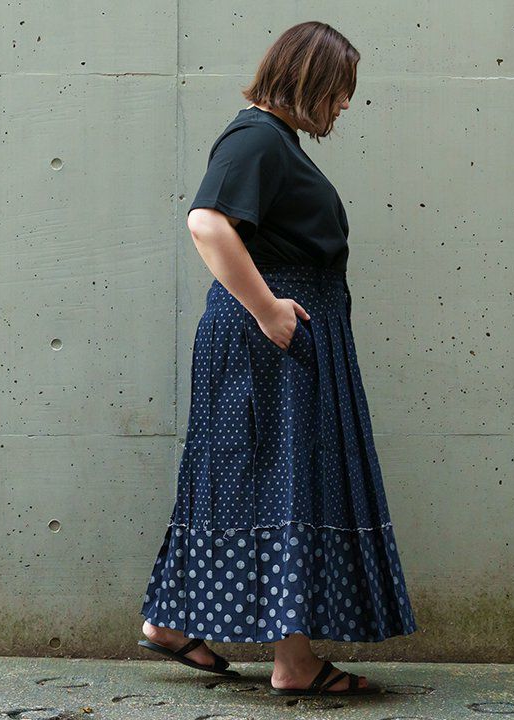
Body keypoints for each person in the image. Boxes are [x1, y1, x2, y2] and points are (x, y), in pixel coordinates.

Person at [137, 20, 418, 697]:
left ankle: (169, 622)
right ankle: (293, 663)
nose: (344, 104)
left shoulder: (272, 141)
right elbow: (207, 222)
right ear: (309, 78)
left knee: (244, 476)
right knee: (282, 481)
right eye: (341, 89)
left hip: (277, 340)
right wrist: (268, 310)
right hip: (269, 342)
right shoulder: (257, 138)